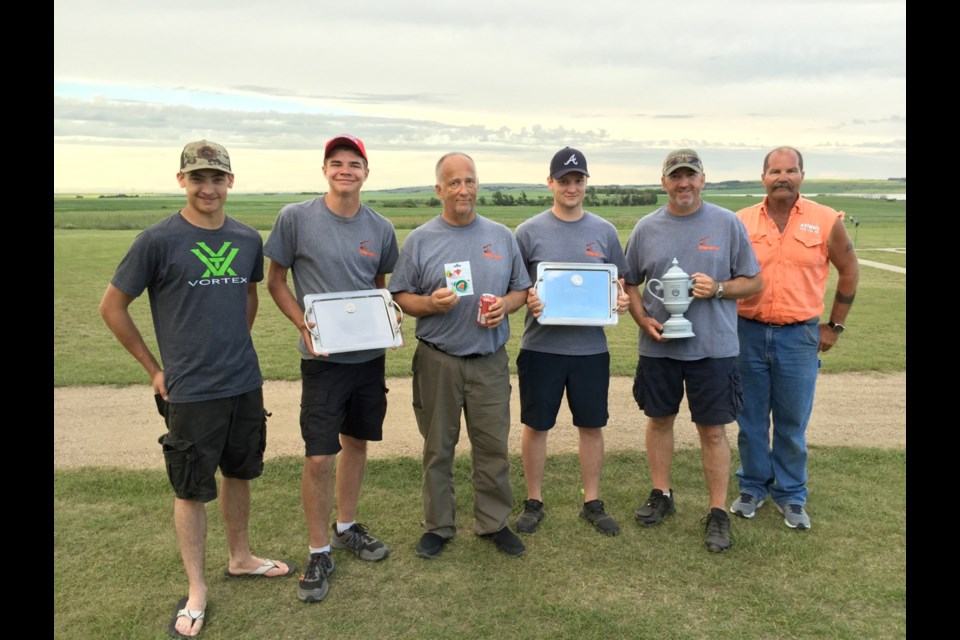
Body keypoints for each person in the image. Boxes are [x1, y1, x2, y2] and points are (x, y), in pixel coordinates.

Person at [99, 140, 296, 639]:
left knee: (241, 471)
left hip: (243, 382)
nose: (207, 187)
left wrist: (234, 344)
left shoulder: (248, 238)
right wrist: (153, 368)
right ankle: (196, 590)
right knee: (190, 488)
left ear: (230, 180)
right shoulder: (157, 240)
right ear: (182, 180)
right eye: (198, 178)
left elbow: (248, 297)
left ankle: (241, 558)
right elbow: (112, 307)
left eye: (216, 177)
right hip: (188, 390)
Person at [264, 134, 399, 603]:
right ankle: (319, 549)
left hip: (368, 358)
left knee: (357, 442)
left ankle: (346, 526)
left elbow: (379, 286)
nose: (346, 169)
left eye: (354, 163)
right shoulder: (296, 218)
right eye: (337, 162)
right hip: (322, 362)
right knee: (320, 455)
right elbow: (275, 281)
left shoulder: (380, 227)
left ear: (366, 171)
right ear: (325, 170)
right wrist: (303, 323)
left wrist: (387, 319)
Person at [388, 152, 531, 559]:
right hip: (439, 359)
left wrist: (507, 304)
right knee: (438, 447)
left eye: (469, 181)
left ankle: (493, 522)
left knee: (492, 446)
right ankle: (439, 525)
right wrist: (430, 304)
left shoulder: (502, 236)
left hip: (488, 359)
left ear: (477, 186)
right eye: (453, 183)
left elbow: (521, 288)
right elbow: (400, 296)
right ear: (439, 190)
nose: (462, 189)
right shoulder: (420, 240)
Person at [623, 148, 763, 553]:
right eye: (675, 175)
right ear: (664, 181)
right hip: (659, 347)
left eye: (691, 175)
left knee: (713, 431)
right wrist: (641, 319)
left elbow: (753, 282)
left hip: (713, 347)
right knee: (659, 420)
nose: (683, 182)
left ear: (703, 179)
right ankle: (661, 494)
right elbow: (631, 282)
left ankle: (717, 512)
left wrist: (718, 288)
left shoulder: (727, 223)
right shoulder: (646, 228)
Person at [730, 146, 860, 530]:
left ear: (802, 175)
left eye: (790, 170)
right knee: (750, 418)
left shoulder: (824, 220)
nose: (782, 177)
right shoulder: (741, 221)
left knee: (791, 422)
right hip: (746, 333)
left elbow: (849, 271)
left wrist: (833, 326)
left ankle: (791, 495)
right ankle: (752, 487)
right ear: (763, 178)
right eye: (774, 171)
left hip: (799, 336)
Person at [512, 147, 630, 537]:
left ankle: (591, 502)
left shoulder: (604, 232)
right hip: (541, 347)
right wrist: (527, 297)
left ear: (585, 184)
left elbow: (617, 285)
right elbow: (515, 287)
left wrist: (621, 301)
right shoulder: (528, 232)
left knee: (592, 425)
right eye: (564, 180)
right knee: (536, 425)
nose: (571, 187)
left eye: (578, 180)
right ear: (550, 183)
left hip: (590, 350)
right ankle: (534, 501)